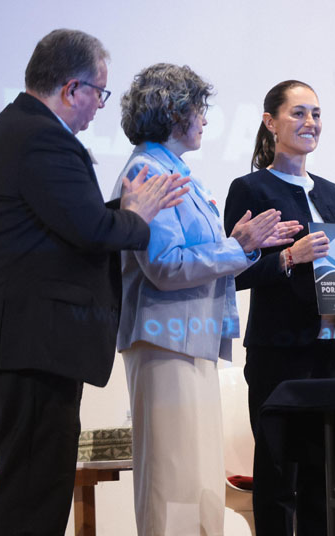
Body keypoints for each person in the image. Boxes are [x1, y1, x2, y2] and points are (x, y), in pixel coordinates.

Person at [0, 29, 188, 534]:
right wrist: (138, 215)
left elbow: (68, 222)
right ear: (72, 88)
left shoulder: (19, 129)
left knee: (33, 492)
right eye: (99, 93)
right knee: (33, 500)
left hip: (23, 344)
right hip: (32, 346)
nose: (99, 107)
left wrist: (124, 212)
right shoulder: (42, 137)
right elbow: (91, 230)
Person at [113, 64, 299, 535]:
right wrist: (238, 246)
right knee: (172, 484)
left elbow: (197, 254)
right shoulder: (146, 171)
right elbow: (166, 265)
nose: (205, 120)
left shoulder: (177, 172)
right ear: (175, 113)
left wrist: (243, 241)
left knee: (199, 485)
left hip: (190, 338)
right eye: (199, 109)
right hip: (164, 339)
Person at [223, 80, 335, 536]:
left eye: (317, 114)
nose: (311, 123)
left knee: (323, 476)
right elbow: (233, 271)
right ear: (270, 122)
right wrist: (289, 257)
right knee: (277, 473)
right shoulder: (249, 187)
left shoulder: (330, 191)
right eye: (299, 113)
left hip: (330, 349)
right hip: (278, 351)